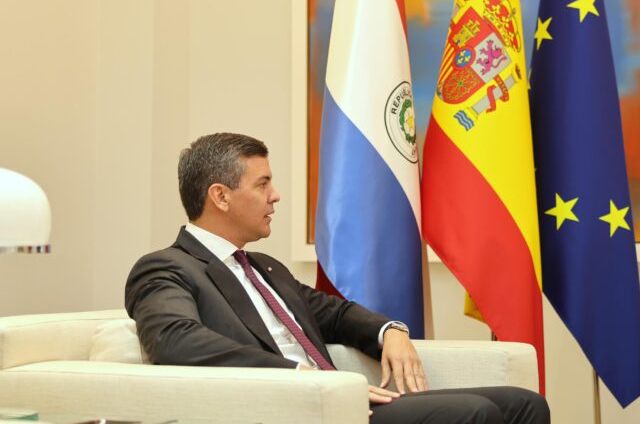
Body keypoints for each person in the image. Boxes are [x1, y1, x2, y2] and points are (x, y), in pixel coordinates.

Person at [126, 132, 548, 424]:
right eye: (263, 184)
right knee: (476, 414)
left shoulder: (265, 269)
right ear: (220, 196)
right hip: (296, 407)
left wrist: (391, 331)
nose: (276, 196)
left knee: (524, 405)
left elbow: (336, 313)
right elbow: (175, 340)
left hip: (342, 401)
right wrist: (300, 376)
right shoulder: (167, 267)